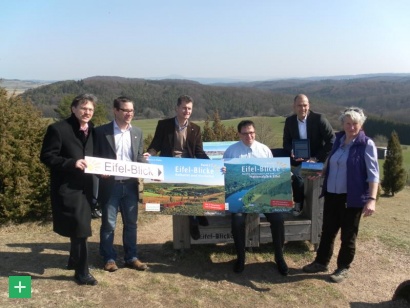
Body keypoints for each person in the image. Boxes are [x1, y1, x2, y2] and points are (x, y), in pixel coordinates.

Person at [302, 107, 379, 283]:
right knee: (327, 230)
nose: (351, 127)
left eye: (355, 124)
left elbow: (373, 174)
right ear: (343, 124)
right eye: (348, 123)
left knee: (348, 235)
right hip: (331, 194)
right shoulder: (338, 140)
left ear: (361, 125)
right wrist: (320, 173)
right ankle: (321, 262)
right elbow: (332, 163)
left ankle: (343, 268)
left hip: (351, 197)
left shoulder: (366, 144)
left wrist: (372, 200)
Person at [40, 94, 98, 286]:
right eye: (83, 108)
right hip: (67, 188)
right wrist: (71, 163)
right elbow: (47, 157)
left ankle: (73, 261)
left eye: (90, 109)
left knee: (79, 227)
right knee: (82, 229)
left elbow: (97, 159)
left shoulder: (93, 131)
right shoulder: (58, 129)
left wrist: (103, 172)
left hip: (87, 188)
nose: (87, 112)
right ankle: (82, 272)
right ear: (73, 109)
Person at [223, 120, 289, 275]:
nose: (249, 136)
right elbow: (225, 175)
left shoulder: (264, 150)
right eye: (245, 133)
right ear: (239, 134)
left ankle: (279, 257)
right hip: (240, 198)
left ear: (255, 132)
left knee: (278, 219)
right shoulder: (231, 151)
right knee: (237, 220)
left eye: (251, 132)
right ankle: (240, 257)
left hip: (263, 197)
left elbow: (275, 174)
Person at [94, 96, 148, 272]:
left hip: (130, 186)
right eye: (125, 110)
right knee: (109, 224)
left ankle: (131, 257)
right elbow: (94, 158)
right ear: (115, 110)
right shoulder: (102, 132)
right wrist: (98, 171)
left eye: (131, 110)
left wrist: (149, 166)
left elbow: (138, 158)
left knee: (131, 223)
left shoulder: (137, 132)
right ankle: (109, 258)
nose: (129, 114)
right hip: (111, 185)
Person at [146, 95, 210, 240]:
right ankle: (193, 219)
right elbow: (155, 145)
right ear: (176, 108)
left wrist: (212, 166)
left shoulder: (196, 129)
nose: (186, 111)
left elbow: (199, 152)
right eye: (184, 108)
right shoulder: (164, 125)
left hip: (188, 166)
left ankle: (197, 214)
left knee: (198, 187)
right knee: (182, 191)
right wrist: (150, 154)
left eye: (189, 108)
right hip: (170, 166)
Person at [283, 94, 335, 216]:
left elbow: (332, 141)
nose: (303, 108)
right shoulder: (290, 121)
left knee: (298, 175)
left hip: (317, 159)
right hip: (298, 156)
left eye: (305, 105)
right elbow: (286, 142)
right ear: (294, 107)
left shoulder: (319, 119)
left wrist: (316, 159)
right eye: (299, 105)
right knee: (272, 155)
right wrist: (292, 151)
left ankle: (298, 204)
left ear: (309, 105)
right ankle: (272, 202)